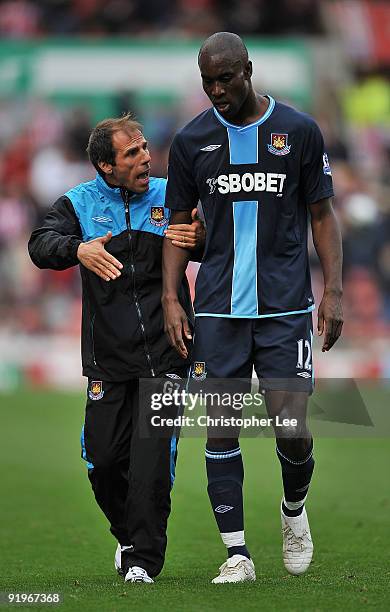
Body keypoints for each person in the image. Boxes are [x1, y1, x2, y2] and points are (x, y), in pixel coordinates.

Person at [162, 32, 343, 584]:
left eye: (225, 79)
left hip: (286, 305)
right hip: (217, 308)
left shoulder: (299, 130)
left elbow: (322, 216)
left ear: (248, 70)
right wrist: (172, 296)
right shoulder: (191, 141)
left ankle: (293, 511)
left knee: (290, 427)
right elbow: (177, 228)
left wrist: (333, 289)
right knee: (221, 429)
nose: (215, 91)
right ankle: (237, 553)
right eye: (206, 82)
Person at [28, 114, 204, 584]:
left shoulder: (173, 195)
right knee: (103, 462)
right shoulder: (80, 203)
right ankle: (127, 537)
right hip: (107, 360)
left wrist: (201, 238)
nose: (146, 156)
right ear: (106, 166)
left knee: (150, 466)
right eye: (132, 152)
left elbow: (212, 243)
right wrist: (78, 249)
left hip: (168, 356)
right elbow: (39, 244)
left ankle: (144, 561)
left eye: (145, 147)